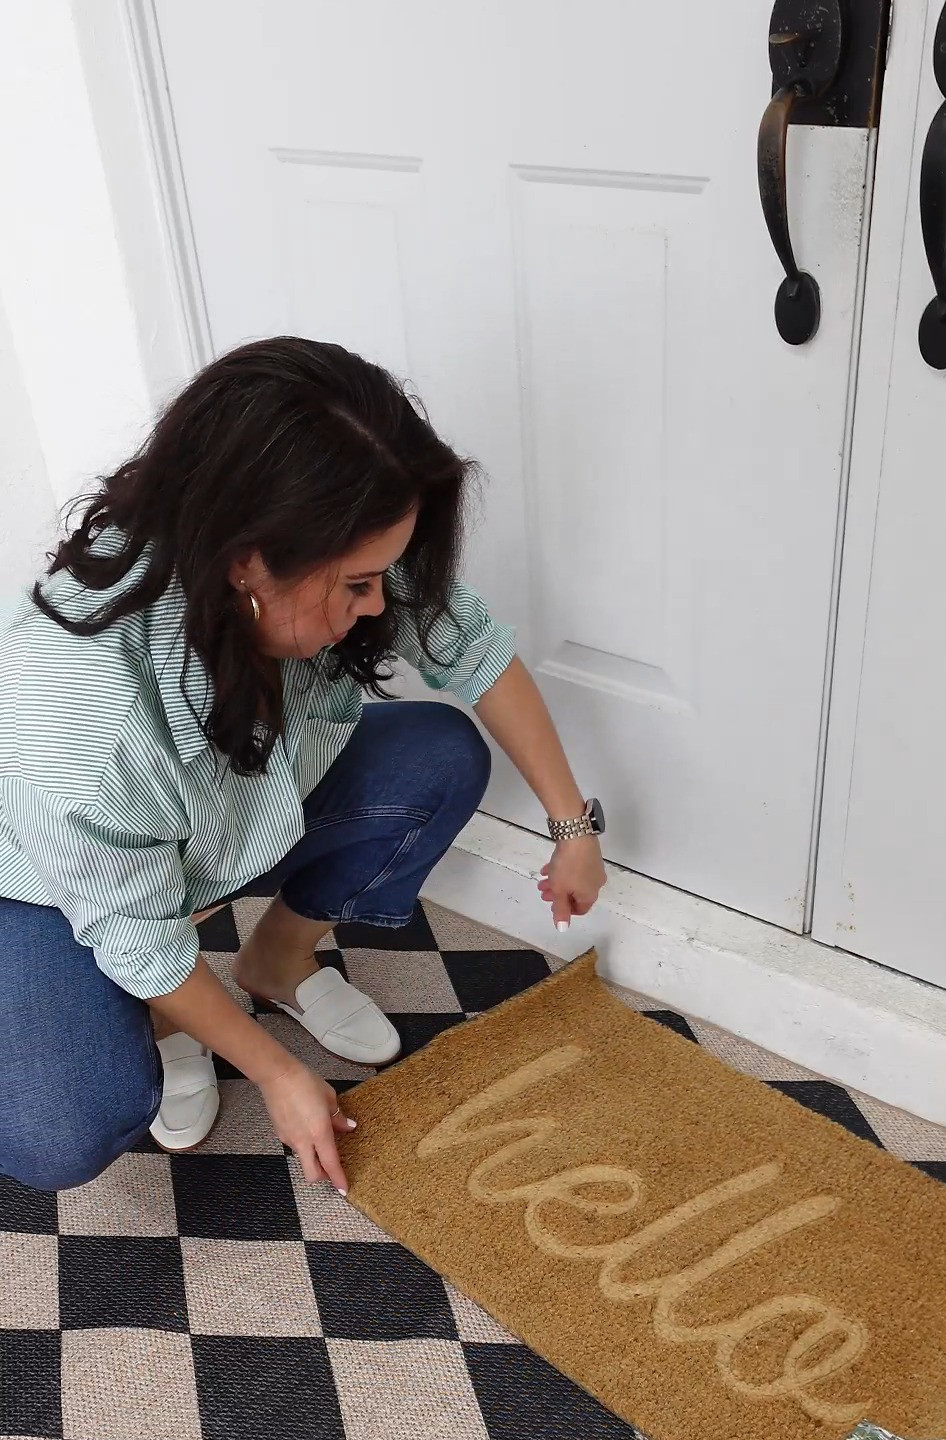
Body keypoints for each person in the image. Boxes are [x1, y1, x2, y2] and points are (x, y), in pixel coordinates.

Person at [0, 337, 607, 1195]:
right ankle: (169, 1018)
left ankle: (275, 962)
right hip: (44, 886)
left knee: (438, 753)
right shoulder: (81, 717)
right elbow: (130, 923)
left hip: (220, 826)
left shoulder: (299, 558)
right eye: (357, 585)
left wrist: (572, 824)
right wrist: (279, 1075)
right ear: (250, 559)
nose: (376, 607)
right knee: (58, 1130)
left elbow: (472, 651)